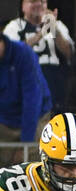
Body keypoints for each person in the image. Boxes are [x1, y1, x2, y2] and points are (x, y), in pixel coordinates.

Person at [3, 0, 72, 109]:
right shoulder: (14, 26)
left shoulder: (59, 25)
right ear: (23, 6)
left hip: (55, 91)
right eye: (33, 1)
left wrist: (54, 28)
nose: (38, 4)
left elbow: (69, 54)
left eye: (42, 1)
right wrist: (41, 34)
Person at [0, 32, 50, 166]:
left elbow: (32, 102)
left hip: (36, 116)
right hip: (4, 119)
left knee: (31, 165)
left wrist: (24, 146)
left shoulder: (24, 53)